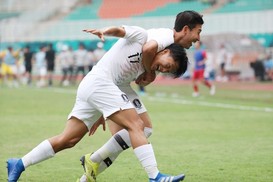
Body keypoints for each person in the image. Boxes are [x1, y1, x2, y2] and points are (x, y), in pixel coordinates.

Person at [7, 25, 188, 182]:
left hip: (97, 87)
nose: (163, 70)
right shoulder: (143, 37)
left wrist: (103, 111)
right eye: (168, 65)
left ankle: (20, 163)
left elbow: (119, 78)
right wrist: (104, 31)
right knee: (137, 126)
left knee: (69, 139)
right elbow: (120, 30)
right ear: (165, 51)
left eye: (167, 71)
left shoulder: (143, 67)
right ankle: (154, 176)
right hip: (99, 84)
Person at [78, 10, 204, 182]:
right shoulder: (166, 37)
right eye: (199, 31)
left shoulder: (168, 43)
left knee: (139, 131)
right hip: (107, 84)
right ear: (186, 29)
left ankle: (89, 168)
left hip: (117, 85)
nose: (198, 38)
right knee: (135, 129)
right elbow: (147, 47)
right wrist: (149, 72)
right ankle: (155, 177)